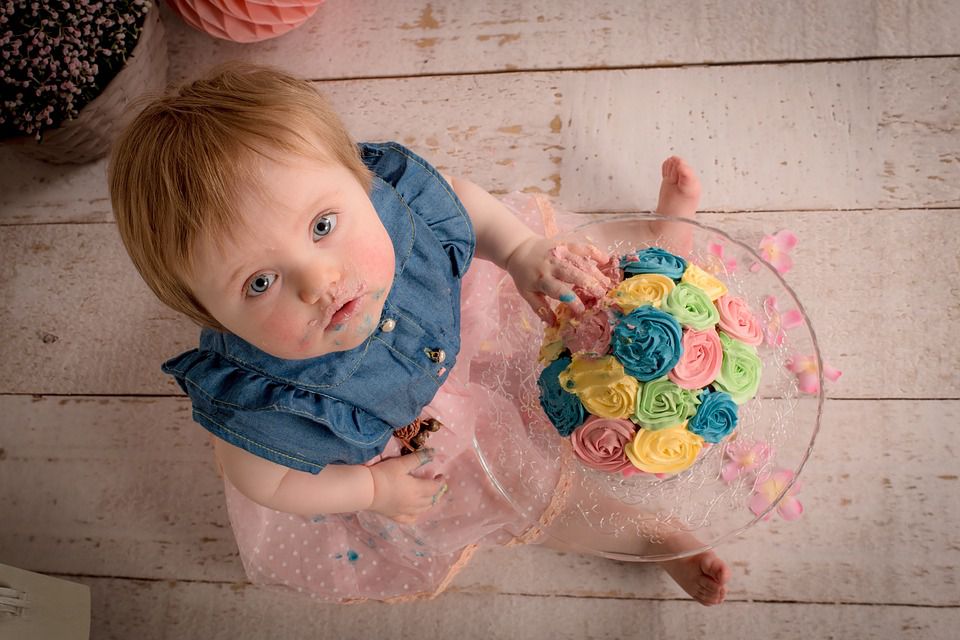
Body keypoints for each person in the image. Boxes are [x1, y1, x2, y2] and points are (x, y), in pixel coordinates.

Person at [107, 61, 730, 606]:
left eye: (323, 225)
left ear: (361, 183)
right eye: (259, 283)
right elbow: (264, 481)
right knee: (515, 491)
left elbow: (462, 200)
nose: (320, 281)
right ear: (211, 315)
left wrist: (516, 253)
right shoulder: (263, 396)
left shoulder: (394, 208)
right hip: (407, 426)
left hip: (449, 313)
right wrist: (371, 487)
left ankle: (652, 253)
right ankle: (648, 537)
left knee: (568, 270)